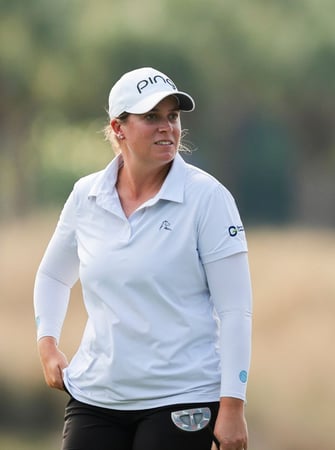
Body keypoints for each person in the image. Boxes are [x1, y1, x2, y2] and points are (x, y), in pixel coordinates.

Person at [34, 67, 253, 450]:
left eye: (172, 116)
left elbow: (235, 310)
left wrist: (232, 404)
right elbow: (54, 275)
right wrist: (47, 343)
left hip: (181, 399)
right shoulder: (86, 195)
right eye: (151, 117)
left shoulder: (208, 199)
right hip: (96, 396)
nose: (166, 127)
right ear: (118, 128)